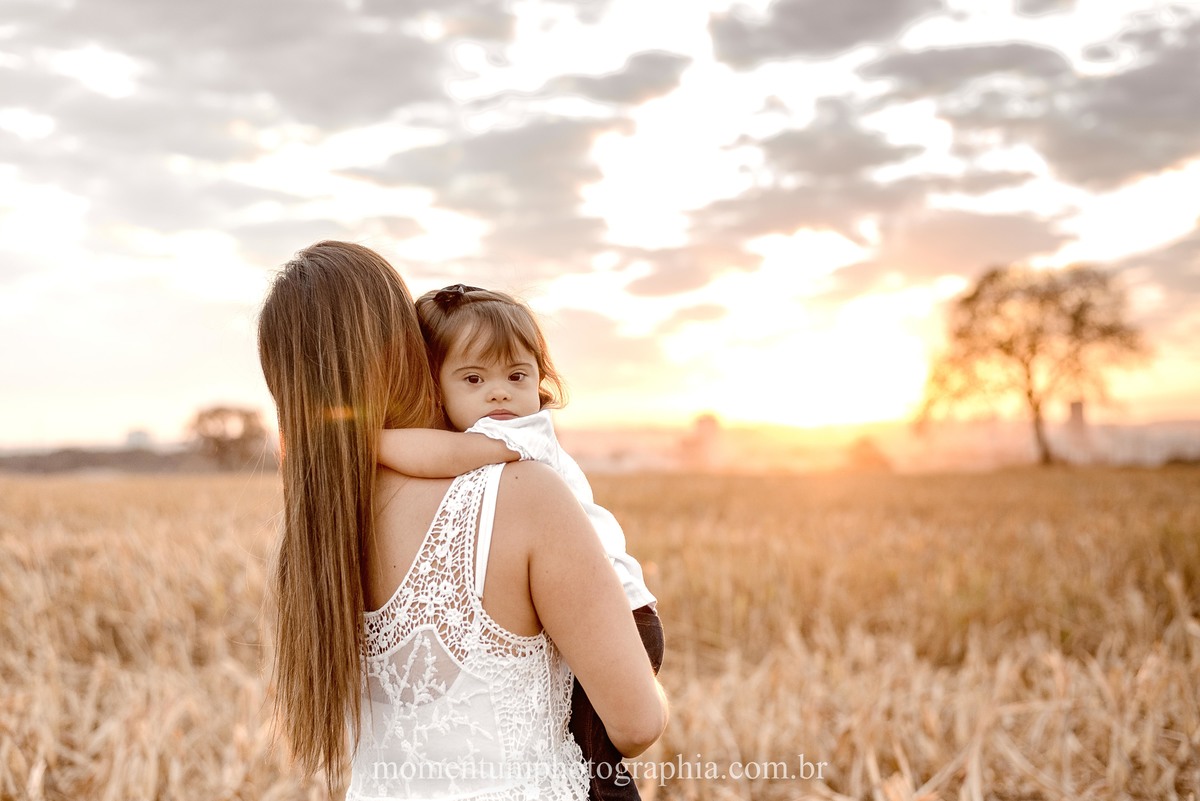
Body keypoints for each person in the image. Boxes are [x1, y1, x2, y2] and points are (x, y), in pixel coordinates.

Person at [256, 241, 667, 800]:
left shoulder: (309, 538)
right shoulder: (521, 494)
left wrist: (347, 442)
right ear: (407, 352)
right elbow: (637, 724)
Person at [375, 284, 665, 800]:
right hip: (605, 611)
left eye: (517, 375)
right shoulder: (499, 447)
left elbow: (439, 457)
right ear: (434, 387)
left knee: (595, 768)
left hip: (622, 617)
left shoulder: (520, 437)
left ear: (540, 380)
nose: (500, 393)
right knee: (580, 751)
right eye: (474, 378)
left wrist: (367, 442)